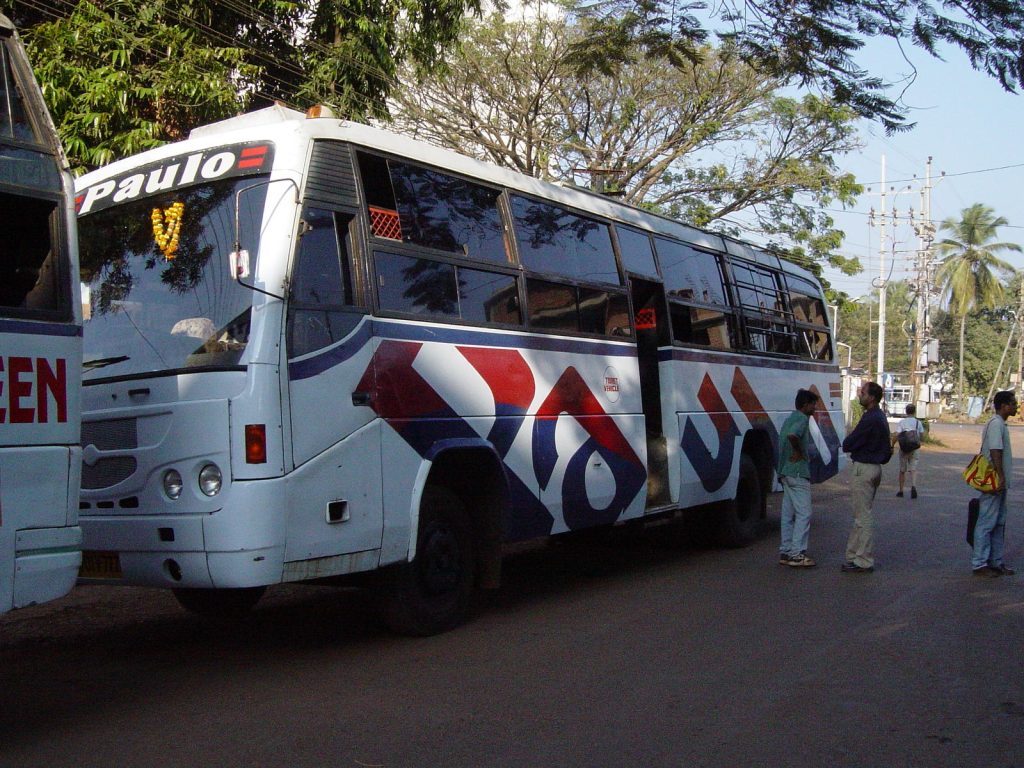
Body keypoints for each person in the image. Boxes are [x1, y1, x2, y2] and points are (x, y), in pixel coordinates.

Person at [840, 381, 891, 573]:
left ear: (871, 397)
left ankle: (863, 559)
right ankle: (854, 555)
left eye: (863, 393)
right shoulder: (879, 416)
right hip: (874, 467)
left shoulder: (870, 418)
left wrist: (849, 443)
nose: (860, 395)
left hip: (864, 468)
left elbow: (849, 443)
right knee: (860, 514)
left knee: (862, 517)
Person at [971, 390, 1017, 578]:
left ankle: (996, 562)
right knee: (986, 523)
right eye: (1013, 404)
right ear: (1004, 406)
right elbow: (995, 450)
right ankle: (979, 563)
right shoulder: (996, 424)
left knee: (998, 522)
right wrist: (1000, 476)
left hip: (998, 481)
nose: (1015, 407)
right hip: (994, 480)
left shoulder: (999, 424)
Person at [777, 389, 820, 567]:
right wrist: (799, 451)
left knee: (787, 514)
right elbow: (793, 435)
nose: (815, 408)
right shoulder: (802, 419)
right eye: (813, 404)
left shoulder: (789, 419)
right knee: (804, 513)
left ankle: (786, 551)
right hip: (798, 472)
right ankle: (797, 554)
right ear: (805, 405)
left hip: (785, 472)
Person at [893, 404, 924, 499]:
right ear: (914, 412)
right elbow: (922, 435)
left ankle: (901, 491)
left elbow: (897, 435)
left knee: (902, 470)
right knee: (913, 469)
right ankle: (913, 486)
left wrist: (892, 445)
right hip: (915, 448)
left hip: (904, 448)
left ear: (906, 411)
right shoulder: (918, 423)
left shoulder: (902, 422)